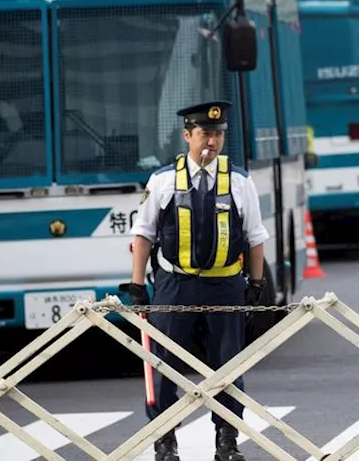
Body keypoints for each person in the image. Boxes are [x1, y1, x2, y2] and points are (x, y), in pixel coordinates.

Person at [120, 100, 270, 461]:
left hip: (225, 286)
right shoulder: (163, 180)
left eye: (218, 135)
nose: (212, 142)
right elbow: (144, 235)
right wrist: (138, 285)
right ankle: (165, 441)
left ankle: (227, 440)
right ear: (187, 135)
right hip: (176, 285)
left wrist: (256, 283)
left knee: (228, 366)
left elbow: (255, 235)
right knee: (164, 364)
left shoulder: (238, 180)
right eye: (204, 133)